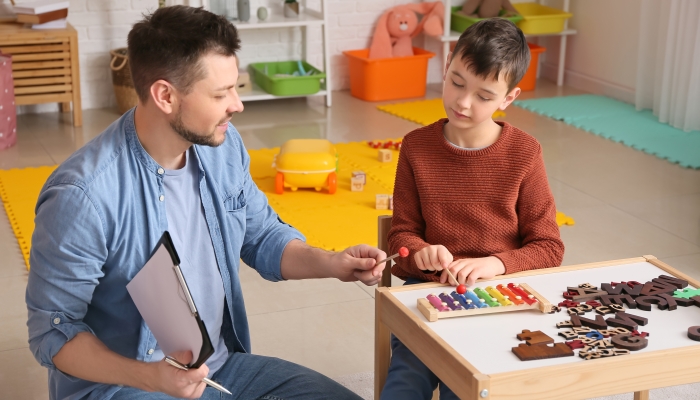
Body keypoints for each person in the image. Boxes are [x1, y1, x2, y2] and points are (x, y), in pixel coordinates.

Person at [25, 6, 386, 400]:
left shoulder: (222, 144)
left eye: (236, 87)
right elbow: (54, 334)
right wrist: (154, 378)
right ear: (165, 95)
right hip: (125, 388)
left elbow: (262, 236)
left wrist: (332, 263)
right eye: (220, 93)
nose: (237, 104)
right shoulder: (82, 196)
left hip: (218, 371)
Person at [381, 19, 565, 399]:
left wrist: (494, 264)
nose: (463, 102)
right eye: (457, 82)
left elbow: (549, 246)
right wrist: (421, 252)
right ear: (447, 65)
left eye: (484, 95)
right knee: (405, 382)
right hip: (427, 290)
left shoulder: (525, 153)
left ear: (508, 99)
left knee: (464, 386)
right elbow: (400, 233)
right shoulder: (416, 146)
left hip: (499, 296)